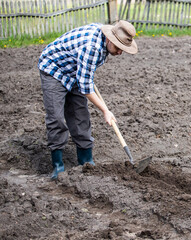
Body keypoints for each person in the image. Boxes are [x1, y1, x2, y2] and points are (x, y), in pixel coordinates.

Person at [38, 20, 138, 180]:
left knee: (80, 117)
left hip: (75, 71)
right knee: (56, 118)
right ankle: (58, 166)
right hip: (54, 69)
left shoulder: (105, 40)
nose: (120, 52)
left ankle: (86, 162)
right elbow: (85, 86)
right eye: (119, 48)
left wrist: (85, 73)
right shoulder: (92, 47)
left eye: (123, 49)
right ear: (109, 40)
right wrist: (105, 110)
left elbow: (85, 77)